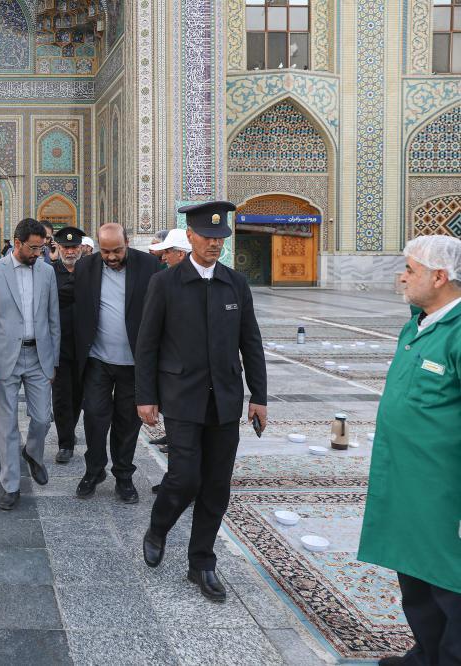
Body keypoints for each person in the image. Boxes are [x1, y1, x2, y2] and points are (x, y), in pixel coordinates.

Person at [136, 200, 267, 603]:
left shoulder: (235, 284)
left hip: (224, 399)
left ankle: (202, 562)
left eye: (220, 237)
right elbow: (147, 344)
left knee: (216, 485)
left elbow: (251, 342)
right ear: (190, 236)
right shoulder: (166, 283)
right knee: (185, 478)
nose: (214, 244)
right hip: (182, 397)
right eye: (207, 236)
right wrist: (145, 396)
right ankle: (159, 527)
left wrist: (259, 396)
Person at [358, 235, 461, 666]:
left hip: (443, 490)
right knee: (415, 576)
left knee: (449, 583)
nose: (402, 277)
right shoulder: (419, 324)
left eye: (411, 270)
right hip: (406, 480)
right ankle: (425, 655)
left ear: (439, 277)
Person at [0, 218, 60, 511]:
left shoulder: (47, 272)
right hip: (4, 359)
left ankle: (32, 452)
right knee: (6, 424)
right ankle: (11, 485)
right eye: (33, 248)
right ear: (17, 243)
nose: (38, 253)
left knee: (43, 418)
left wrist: (53, 362)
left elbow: (53, 319)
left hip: (38, 357)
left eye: (42, 248)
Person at [72, 223, 159, 502]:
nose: (111, 257)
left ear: (127, 243)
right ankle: (94, 470)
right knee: (94, 416)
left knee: (127, 422)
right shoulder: (85, 267)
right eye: (105, 251)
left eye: (117, 251)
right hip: (98, 359)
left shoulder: (149, 266)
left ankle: (123, 475)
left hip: (133, 363)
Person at [145, 227, 194, 470]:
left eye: (168, 253)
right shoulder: (164, 282)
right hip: (172, 370)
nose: (163, 258)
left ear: (181, 254)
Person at [51, 225, 85, 463]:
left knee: (79, 395)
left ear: (81, 248)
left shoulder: (90, 272)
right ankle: (65, 443)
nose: (70, 252)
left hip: (85, 347)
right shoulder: (49, 272)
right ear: (58, 248)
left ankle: (70, 430)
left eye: (74, 247)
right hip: (60, 345)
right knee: (62, 395)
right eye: (66, 247)